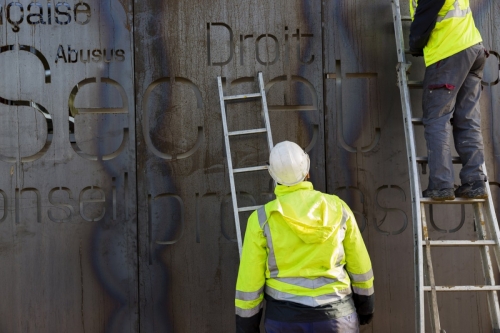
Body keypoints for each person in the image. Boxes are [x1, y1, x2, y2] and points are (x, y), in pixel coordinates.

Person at [234, 141, 374, 333]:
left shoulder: (262, 219)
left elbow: (250, 281)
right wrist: (366, 307)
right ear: (307, 170)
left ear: (274, 176)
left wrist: (246, 325)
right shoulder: (338, 207)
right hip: (337, 317)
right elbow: (360, 265)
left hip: (285, 320)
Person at [409, 0, 489, 200]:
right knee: (467, 119)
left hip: (449, 53)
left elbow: (424, 19)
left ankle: (441, 185)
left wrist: (415, 44)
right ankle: (474, 182)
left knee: (437, 118)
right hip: (472, 48)